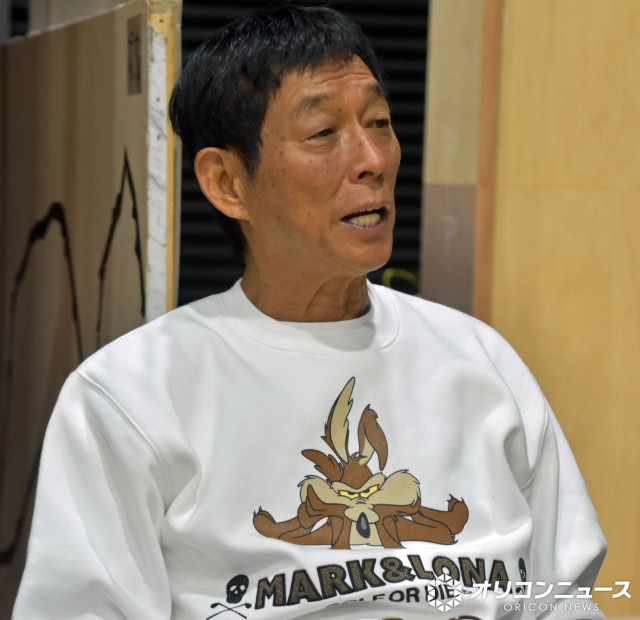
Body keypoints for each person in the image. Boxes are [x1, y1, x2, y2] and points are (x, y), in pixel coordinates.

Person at [14, 4, 606, 619]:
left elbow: (566, 601)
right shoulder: (129, 395)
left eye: (379, 122)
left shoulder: (482, 363)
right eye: (323, 133)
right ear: (227, 182)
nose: (373, 159)